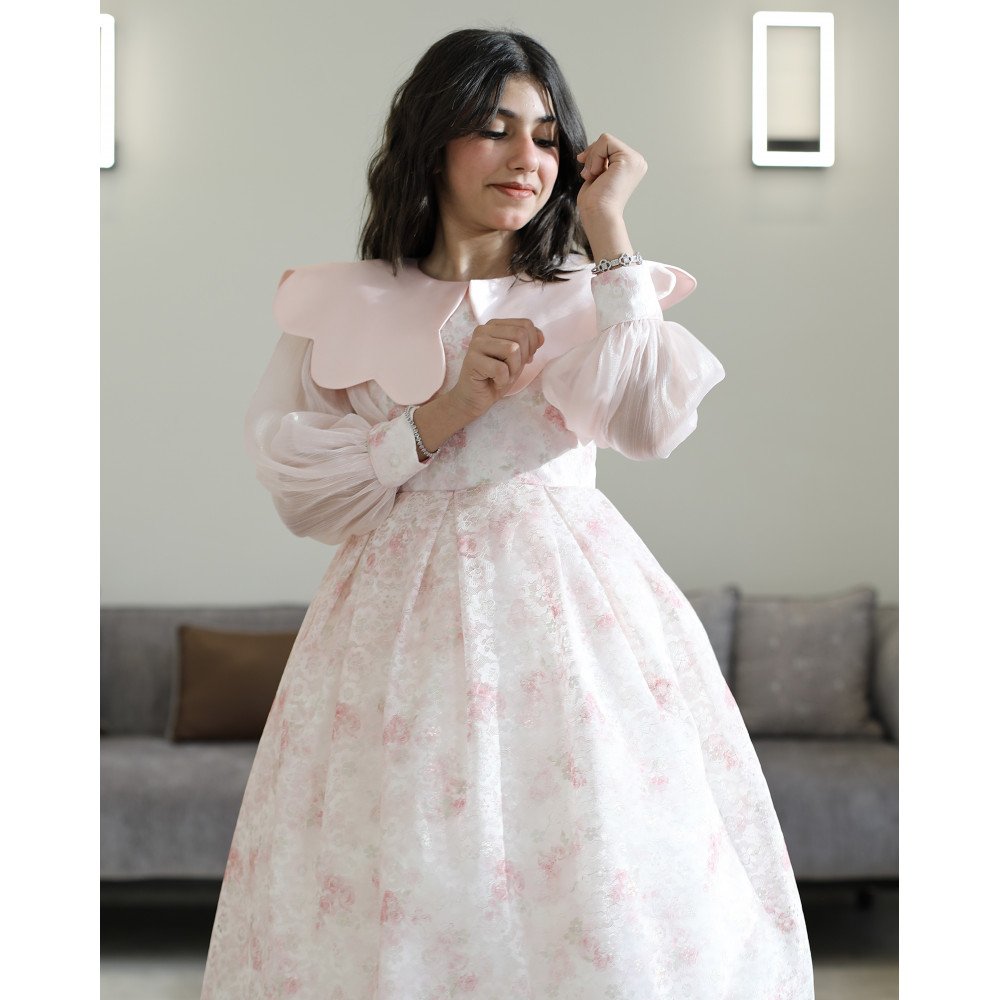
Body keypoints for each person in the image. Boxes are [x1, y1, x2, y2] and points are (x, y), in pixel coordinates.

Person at [200, 27, 815, 1000]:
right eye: (493, 129)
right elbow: (301, 486)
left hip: (568, 624)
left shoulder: (588, 291)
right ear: (431, 139)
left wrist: (608, 229)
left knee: (587, 862)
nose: (526, 156)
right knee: (401, 869)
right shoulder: (344, 302)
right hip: (391, 633)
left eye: (546, 136)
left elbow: (650, 421)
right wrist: (439, 414)